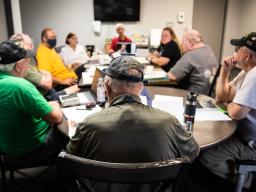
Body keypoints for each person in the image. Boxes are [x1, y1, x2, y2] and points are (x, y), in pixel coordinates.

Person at [66, 56, 199, 191]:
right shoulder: (168, 121)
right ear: (141, 87)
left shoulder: (88, 124)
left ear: (107, 86)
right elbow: (192, 151)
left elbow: (70, 159)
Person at [199, 32, 256, 188]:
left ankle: (249, 181)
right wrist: (225, 70)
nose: (235, 52)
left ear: (246, 55)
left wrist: (228, 104)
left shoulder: (254, 75)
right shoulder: (247, 72)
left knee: (207, 155)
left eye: (238, 49)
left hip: (250, 144)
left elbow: (235, 113)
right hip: (242, 134)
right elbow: (222, 96)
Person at [0, 40, 69, 163]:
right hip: (32, 150)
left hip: (6, 150)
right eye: (28, 62)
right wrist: (54, 104)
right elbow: (55, 118)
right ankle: (73, 174)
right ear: (18, 65)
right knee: (69, 126)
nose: (29, 66)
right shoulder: (20, 86)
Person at [10, 33, 80, 100]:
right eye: (29, 45)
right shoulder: (24, 65)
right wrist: (62, 81)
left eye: (55, 37)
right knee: (80, 87)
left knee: (81, 86)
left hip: (55, 87)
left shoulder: (51, 50)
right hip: (50, 93)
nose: (32, 47)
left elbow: (62, 65)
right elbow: (47, 83)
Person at [167, 29, 218, 95]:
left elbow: (172, 76)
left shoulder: (190, 55)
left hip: (193, 97)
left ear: (190, 42)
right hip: (209, 96)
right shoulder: (208, 49)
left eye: (183, 41)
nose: (181, 44)